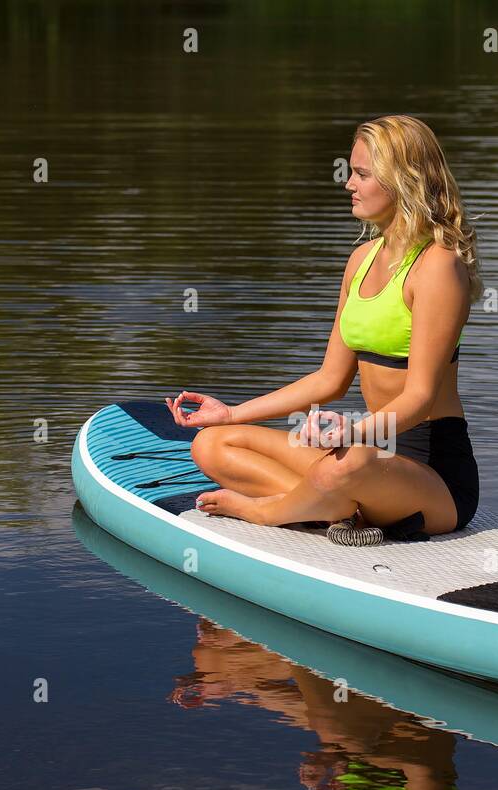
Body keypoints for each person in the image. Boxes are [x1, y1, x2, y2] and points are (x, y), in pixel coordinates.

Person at [165, 114, 482, 537]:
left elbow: (421, 398)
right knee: (214, 443)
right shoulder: (361, 260)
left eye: (362, 174)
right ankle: (338, 509)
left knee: (356, 460)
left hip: (432, 475)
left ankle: (269, 511)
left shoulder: (438, 267)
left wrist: (352, 432)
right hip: (370, 448)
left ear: (401, 180)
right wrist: (230, 413)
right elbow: (330, 380)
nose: (348, 183)